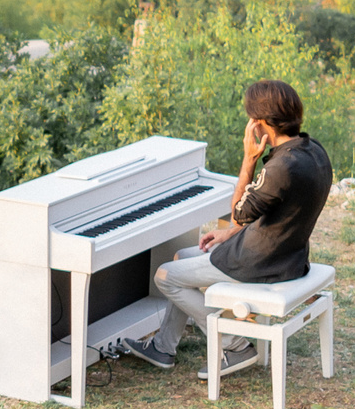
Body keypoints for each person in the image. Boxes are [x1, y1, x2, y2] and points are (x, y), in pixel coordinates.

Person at [119, 79, 332, 370]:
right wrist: (231, 234)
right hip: (287, 254)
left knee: (165, 276)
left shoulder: (280, 168)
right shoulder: (313, 150)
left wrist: (248, 160)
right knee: (182, 257)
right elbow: (281, 213)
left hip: (261, 262)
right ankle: (163, 347)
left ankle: (234, 346)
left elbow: (239, 213)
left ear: (259, 123)